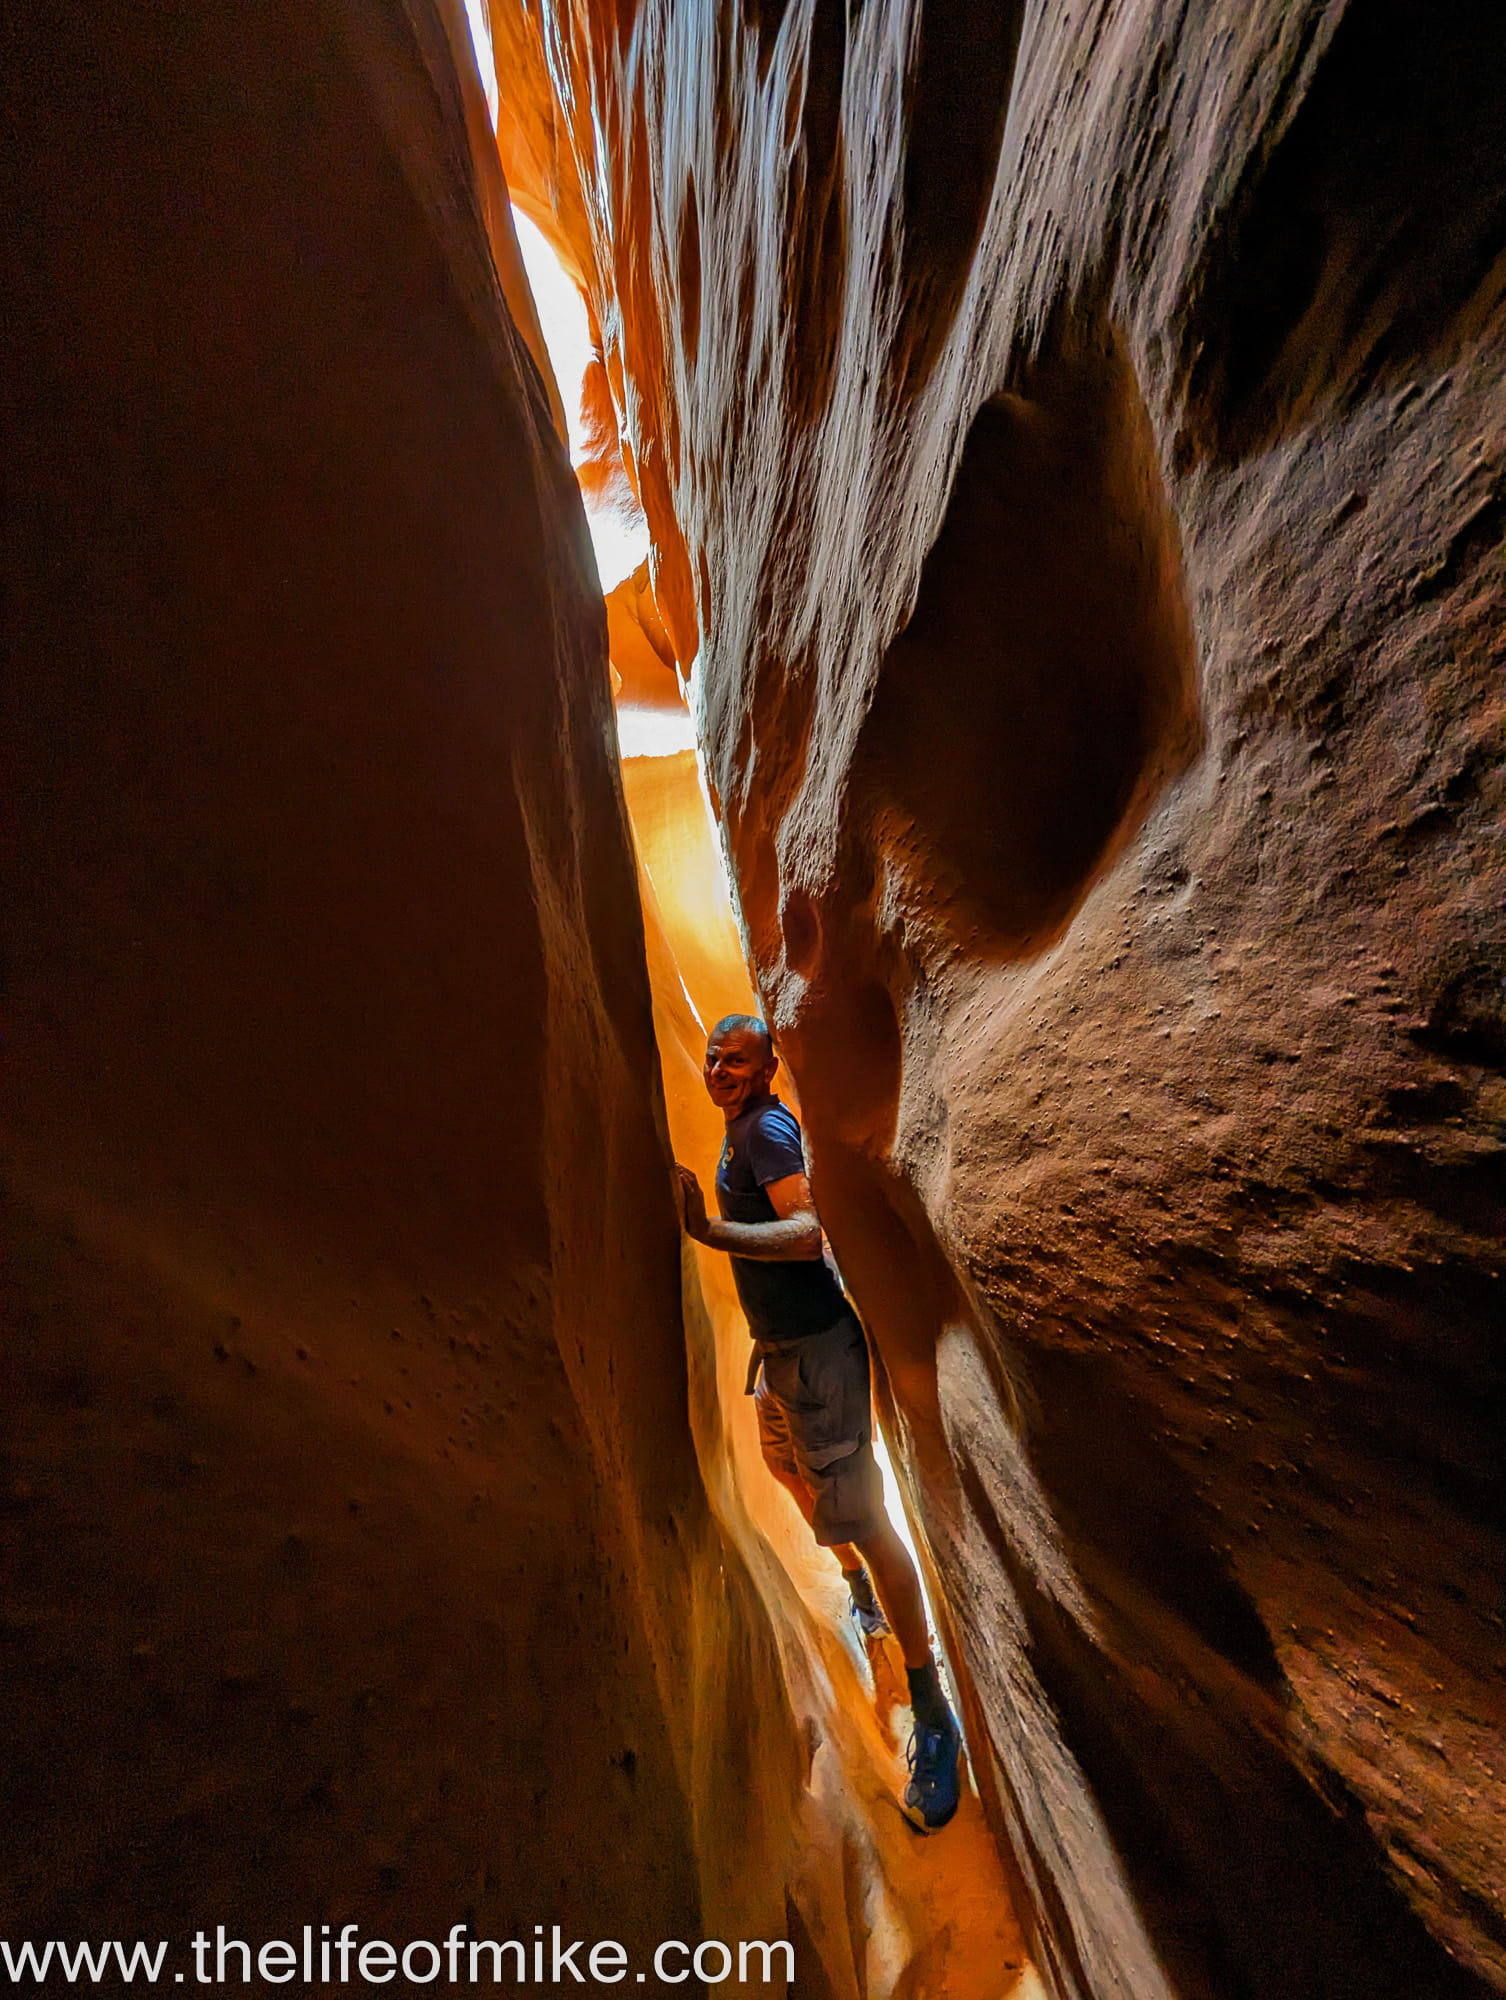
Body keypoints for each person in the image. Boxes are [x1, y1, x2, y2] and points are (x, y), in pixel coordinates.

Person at [673, 1014, 962, 1832]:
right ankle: (860, 1591)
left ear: (767, 1072)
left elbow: (807, 1235)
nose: (719, 1068)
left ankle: (931, 1707)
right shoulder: (741, 1126)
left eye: (737, 1060)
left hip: (818, 1360)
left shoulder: (764, 1129)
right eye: (714, 1057)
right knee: (785, 1472)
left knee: (864, 1519)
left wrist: (707, 1229)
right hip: (784, 1356)